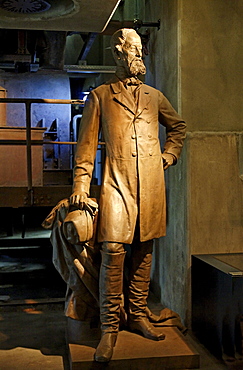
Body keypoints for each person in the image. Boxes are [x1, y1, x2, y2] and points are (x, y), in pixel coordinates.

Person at [70, 28, 186, 362]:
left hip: (150, 185)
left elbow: (177, 127)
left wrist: (169, 155)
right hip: (116, 183)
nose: (141, 56)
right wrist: (80, 186)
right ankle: (109, 327)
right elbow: (86, 148)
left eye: (141, 49)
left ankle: (137, 315)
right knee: (112, 249)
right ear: (119, 54)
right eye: (135, 50)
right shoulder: (101, 96)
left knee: (144, 250)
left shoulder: (154, 96)